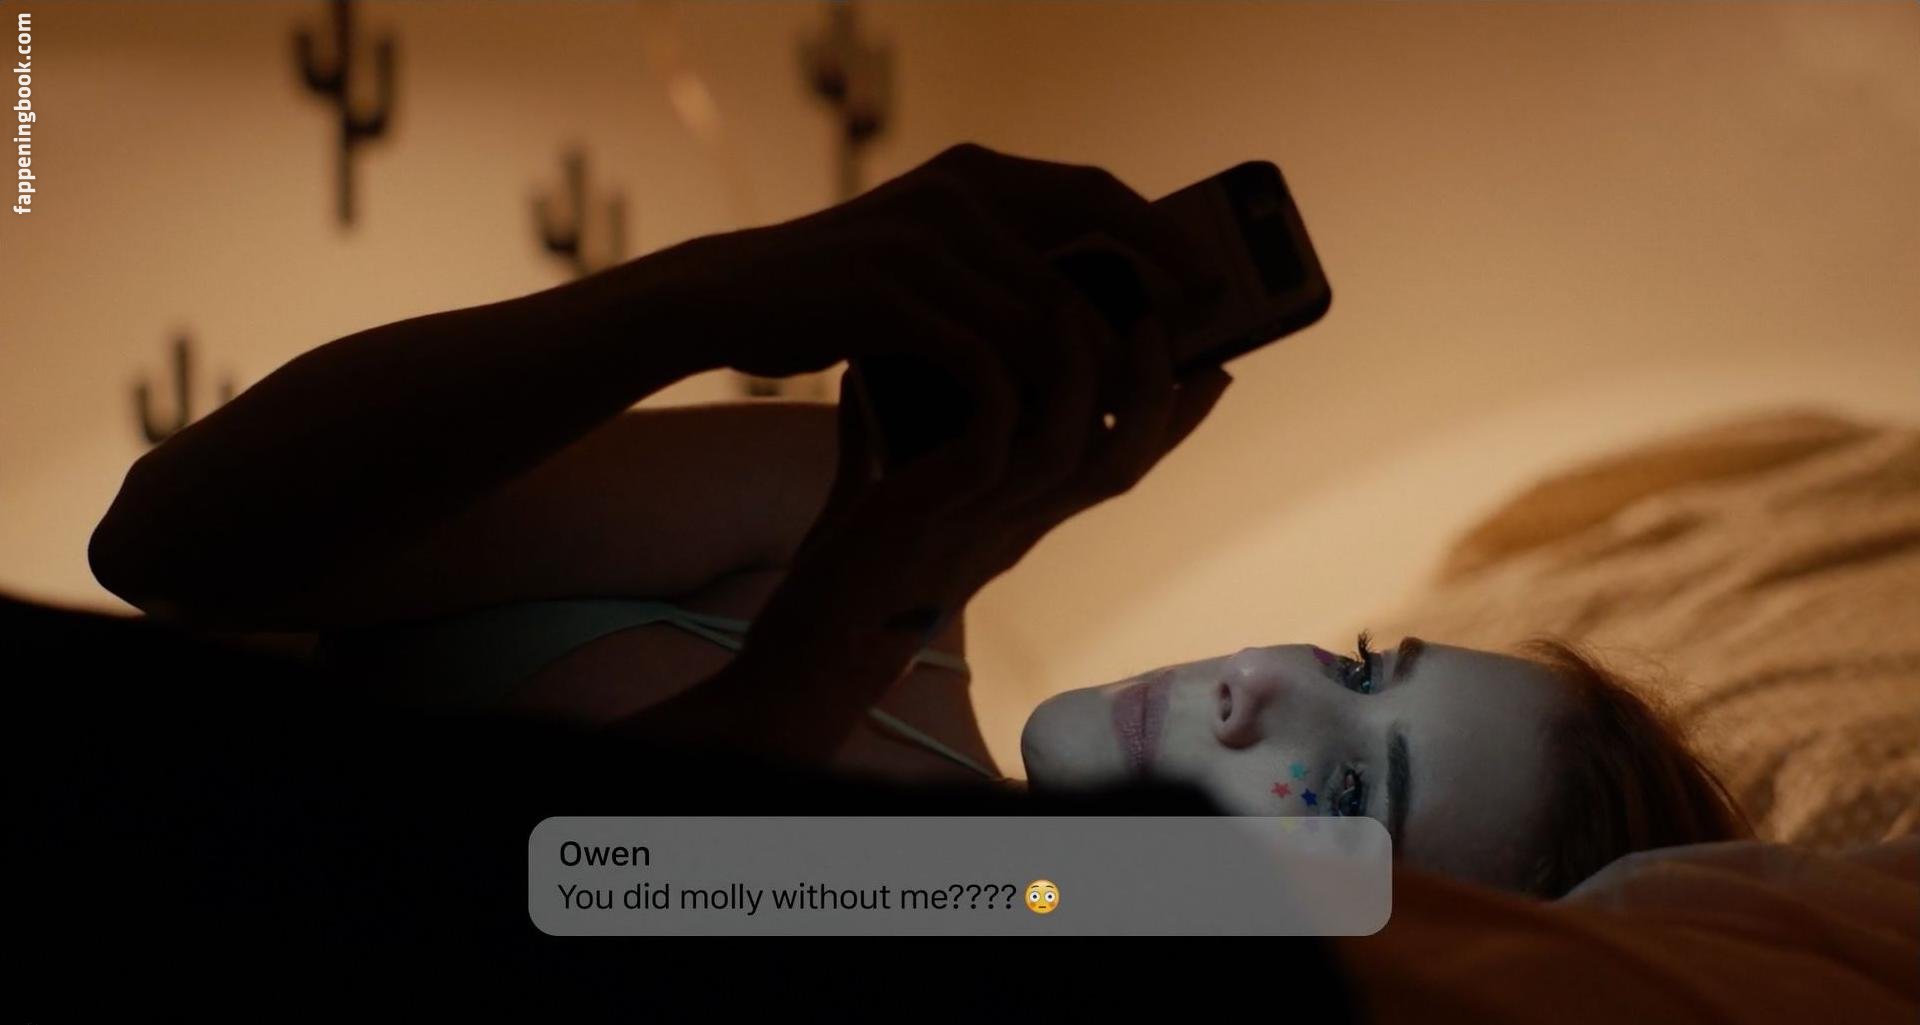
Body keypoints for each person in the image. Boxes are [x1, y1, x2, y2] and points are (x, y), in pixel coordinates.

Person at [87, 142, 1744, 902]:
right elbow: (164, 540)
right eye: (1362, 664)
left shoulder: (978, 892)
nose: (1263, 686)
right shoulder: (824, 513)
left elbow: (574, 884)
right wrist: (735, 287)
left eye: (1347, 789)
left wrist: (837, 631)